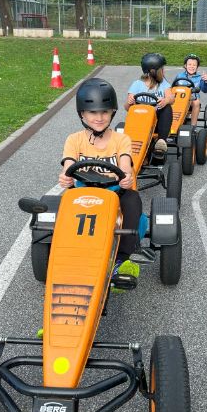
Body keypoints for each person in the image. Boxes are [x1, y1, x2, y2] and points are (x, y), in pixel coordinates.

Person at [59, 77, 141, 283]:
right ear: (82, 114)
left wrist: (126, 176)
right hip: (82, 192)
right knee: (58, 206)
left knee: (132, 199)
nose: (99, 117)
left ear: (112, 112)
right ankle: (65, 253)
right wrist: (66, 177)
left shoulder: (121, 139)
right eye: (93, 112)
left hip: (115, 191)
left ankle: (121, 260)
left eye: (104, 112)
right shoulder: (74, 139)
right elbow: (69, 164)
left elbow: (125, 163)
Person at [125, 53, 175, 159]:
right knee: (133, 110)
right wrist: (129, 101)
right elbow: (127, 108)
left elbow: (171, 98)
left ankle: (161, 141)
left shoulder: (163, 84)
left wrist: (166, 100)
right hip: (140, 121)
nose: (164, 71)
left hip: (157, 122)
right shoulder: (137, 84)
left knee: (167, 108)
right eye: (162, 69)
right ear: (153, 71)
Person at [174, 54, 207, 128]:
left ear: (197, 67)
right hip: (179, 99)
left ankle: (193, 126)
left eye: (194, 65)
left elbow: (205, 90)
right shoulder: (179, 76)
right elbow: (173, 88)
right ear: (185, 66)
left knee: (196, 102)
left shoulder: (200, 78)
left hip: (192, 100)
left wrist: (206, 81)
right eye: (189, 64)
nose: (192, 66)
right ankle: (171, 125)